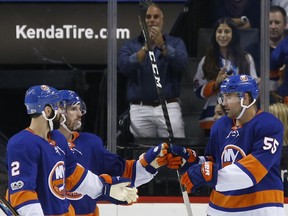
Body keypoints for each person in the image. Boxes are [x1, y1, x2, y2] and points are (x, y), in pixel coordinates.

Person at [6, 85, 167, 215]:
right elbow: (23, 194)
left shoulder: (57, 139)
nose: (61, 112)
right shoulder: (22, 144)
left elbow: (74, 175)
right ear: (47, 111)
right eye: (59, 107)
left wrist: (106, 189)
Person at [167, 75, 285, 215]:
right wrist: (188, 160)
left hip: (259, 208)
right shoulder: (220, 125)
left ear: (245, 98)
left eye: (229, 97)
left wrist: (207, 173)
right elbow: (213, 161)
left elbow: (252, 173)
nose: (224, 102)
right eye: (223, 97)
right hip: (219, 208)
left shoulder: (269, 125)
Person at [57, 89, 169, 215]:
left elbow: (122, 171)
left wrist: (148, 165)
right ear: (58, 112)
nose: (79, 114)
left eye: (80, 108)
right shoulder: (42, 145)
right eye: (73, 109)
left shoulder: (90, 144)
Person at [118, 3, 188, 138]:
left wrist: (162, 46)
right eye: (148, 17)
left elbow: (182, 64)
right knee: (143, 155)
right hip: (140, 108)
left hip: (169, 106)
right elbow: (124, 67)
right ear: (141, 21)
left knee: (175, 154)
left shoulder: (176, 42)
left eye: (156, 17)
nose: (152, 20)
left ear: (162, 20)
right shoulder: (130, 45)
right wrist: (145, 48)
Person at [193, 17, 258, 137]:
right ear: (214, 34)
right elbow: (197, 90)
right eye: (219, 31)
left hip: (240, 114)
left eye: (227, 31)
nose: (222, 35)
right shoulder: (206, 60)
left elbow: (253, 89)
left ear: (234, 34)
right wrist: (215, 85)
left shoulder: (246, 59)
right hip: (213, 115)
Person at [248, 5, 287, 103]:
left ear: (286, 24)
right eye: (269, 23)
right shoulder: (252, 51)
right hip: (260, 104)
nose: (273, 26)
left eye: (277, 22)